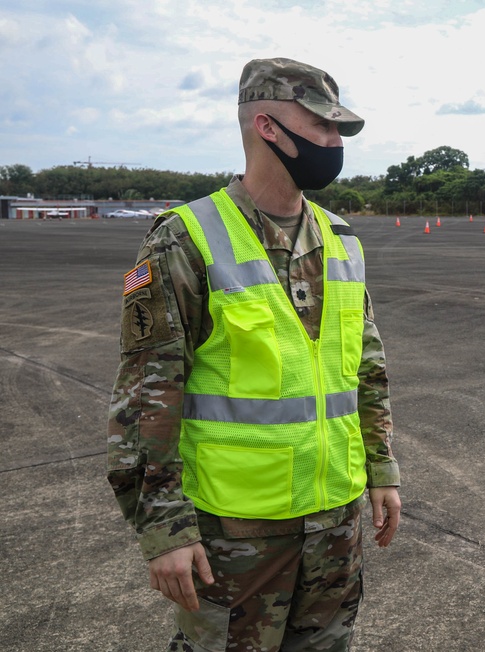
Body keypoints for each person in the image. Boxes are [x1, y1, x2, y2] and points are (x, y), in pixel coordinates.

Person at [107, 57, 401, 651]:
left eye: (339, 130)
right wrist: (164, 529)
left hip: (334, 522)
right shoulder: (186, 238)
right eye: (321, 126)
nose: (334, 142)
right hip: (235, 533)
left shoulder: (341, 239)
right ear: (268, 127)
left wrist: (381, 471)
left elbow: (365, 372)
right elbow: (147, 395)